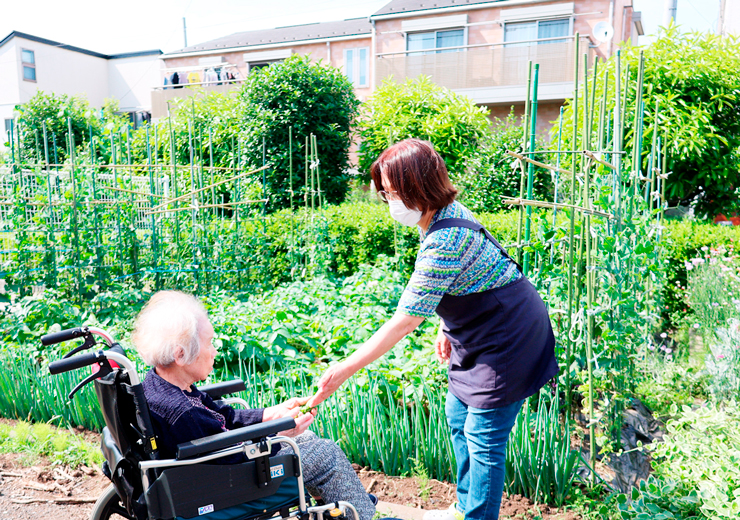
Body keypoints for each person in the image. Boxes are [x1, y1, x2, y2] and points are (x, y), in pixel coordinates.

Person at [307, 139, 558, 520]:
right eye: (384, 193)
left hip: (509, 336)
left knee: (484, 438)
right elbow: (470, 274)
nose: (388, 201)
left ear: (418, 188)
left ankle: (477, 516)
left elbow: (405, 321)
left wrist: (343, 369)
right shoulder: (438, 217)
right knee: (458, 416)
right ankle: (464, 507)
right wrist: (446, 323)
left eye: (392, 192)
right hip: (478, 327)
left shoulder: (443, 238)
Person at [132, 290, 376, 520]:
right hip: (228, 482)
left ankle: (338, 506)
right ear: (180, 354)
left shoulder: (164, 384)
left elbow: (224, 418)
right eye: (209, 344)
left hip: (217, 466)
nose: (215, 351)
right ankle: (361, 514)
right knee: (326, 454)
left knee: (308, 438)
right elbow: (232, 456)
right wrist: (279, 432)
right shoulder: (184, 413)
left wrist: (272, 414)